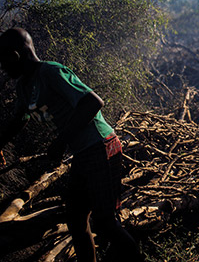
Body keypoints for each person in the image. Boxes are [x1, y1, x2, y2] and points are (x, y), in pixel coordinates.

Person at [0, 28, 143, 262]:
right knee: (76, 219)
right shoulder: (24, 87)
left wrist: (60, 141)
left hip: (101, 145)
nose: (2, 68)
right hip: (83, 153)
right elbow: (19, 120)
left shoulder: (51, 72)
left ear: (15, 56)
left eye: (3, 61)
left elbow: (93, 102)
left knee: (105, 222)